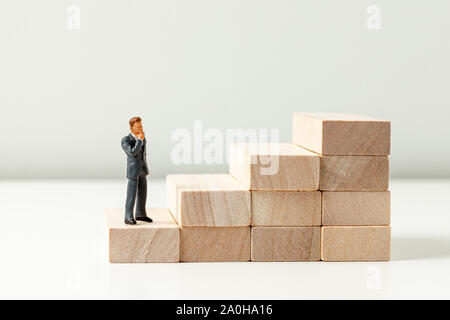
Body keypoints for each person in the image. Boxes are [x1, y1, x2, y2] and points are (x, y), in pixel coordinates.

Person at [121, 117, 153, 225]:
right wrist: (139, 140)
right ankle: (128, 216)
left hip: (142, 169)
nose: (141, 128)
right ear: (132, 128)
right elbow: (133, 152)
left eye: (141, 126)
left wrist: (141, 140)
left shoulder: (142, 137)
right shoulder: (125, 140)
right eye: (138, 126)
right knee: (131, 195)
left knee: (143, 193)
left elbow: (143, 153)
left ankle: (140, 213)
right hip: (133, 172)